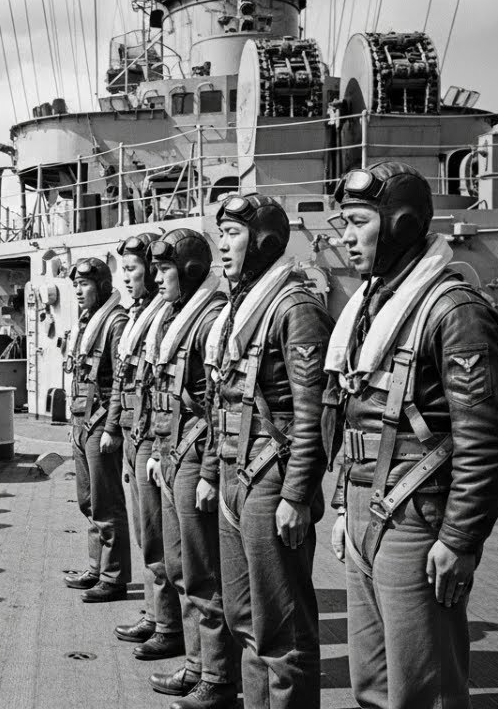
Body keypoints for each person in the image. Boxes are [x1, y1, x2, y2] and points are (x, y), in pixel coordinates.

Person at [324, 162, 498, 709]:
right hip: (369, 505)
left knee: (421, 687)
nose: (345, 235)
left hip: (417, 518)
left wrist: (460, 540)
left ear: (400, 226)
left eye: (358, 221)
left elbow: (489, 438)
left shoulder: (455, 312)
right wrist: (345, 504)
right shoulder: (371, 306)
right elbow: (355, 414)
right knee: (373, 684)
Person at [203, 193, 332, 709]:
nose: (224, 247)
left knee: (283, 628)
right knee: (243, 618)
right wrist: (216, 470)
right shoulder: (243, 305)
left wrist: (298, 495)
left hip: (272, 476)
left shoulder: (295, 308)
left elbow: (314, 412)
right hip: (237, 472)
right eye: (221, 236)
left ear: (264, 240)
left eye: (233, 234)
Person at [143, 230, 238, 708]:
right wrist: (160, 452)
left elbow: (217, 404)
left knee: (204, 574)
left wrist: (206, 472)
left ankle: (218, 677)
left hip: (195, 452)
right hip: (172, 450)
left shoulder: (209, 320)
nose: (157, 278)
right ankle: (199, 664)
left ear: (192, 271)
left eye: (164, 269)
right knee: (182, 566)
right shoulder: (177, 316)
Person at [106, 233, 184, 660]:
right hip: (136, 431)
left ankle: (169, 625)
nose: (131, 278)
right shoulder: (143, 316)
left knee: (158, 536)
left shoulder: (166, 317)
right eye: (130, 270)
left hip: (153, 433)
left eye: (137, 270)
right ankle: (156, 614)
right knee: (145, 532)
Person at [62, 257, 132, 603]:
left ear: (103, 286)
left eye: (85, 284)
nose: (78, 290)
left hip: (101, 421)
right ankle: (96, 566)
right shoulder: (87, 321)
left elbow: (121, 378)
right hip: (80, 420)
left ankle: (114, 576)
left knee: (107, 503)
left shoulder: (116, 322)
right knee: (88, 501)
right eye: (75, 285)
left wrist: (113, 426)